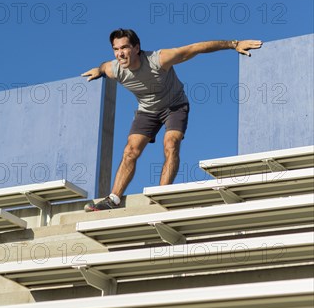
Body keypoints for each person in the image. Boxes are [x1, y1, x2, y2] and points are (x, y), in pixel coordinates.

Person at [81, 28, 263, 212]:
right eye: (116, 49)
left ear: (136, 48)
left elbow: (195, 48)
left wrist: (234, 44)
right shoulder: (115, 69)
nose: (120, 53)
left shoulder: (159, 59)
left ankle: (161, 196)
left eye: (125, 48)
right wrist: (98, 70)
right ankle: (113, 198)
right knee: (130, 151)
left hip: (174, 106)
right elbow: (104, 66)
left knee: (170, 143)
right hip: (147, 111)